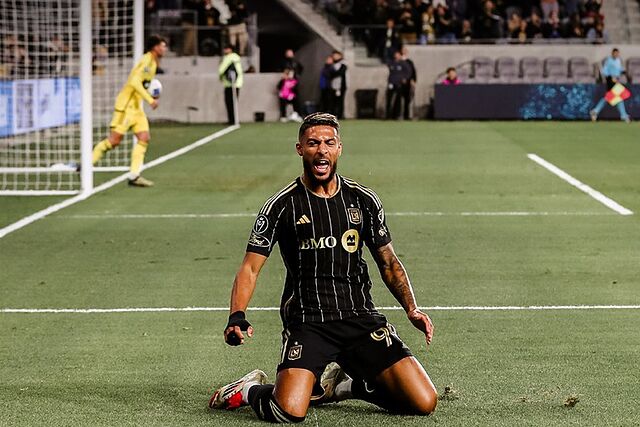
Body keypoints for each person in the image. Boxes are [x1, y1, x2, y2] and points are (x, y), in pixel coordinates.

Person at [209, 112, 438, 423]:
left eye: (329, 143)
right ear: (300, 149)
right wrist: (237, 315)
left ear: (339, 149)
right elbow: (250, 267)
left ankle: (348, 386)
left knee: (423, 402)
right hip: (308, 322)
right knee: (288, 411)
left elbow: (388, 261)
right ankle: (250, 389)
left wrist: (412, 308)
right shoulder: (282, 205)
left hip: (360, 319)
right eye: (313, 143)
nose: (321, 150)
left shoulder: (363, 200)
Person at [91, 34, 167, 187]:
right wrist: (150, 99)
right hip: (126, 107)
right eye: (162, 45)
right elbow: (134, 82)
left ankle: (134, 175)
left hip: (137, 108)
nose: (164, 48)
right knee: (114, 141)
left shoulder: (152, 63)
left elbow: (143, 83)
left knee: (144, 137)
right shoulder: (146, 60)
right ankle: (86, 165)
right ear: (155, 47)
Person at [590, 48, 630, 123]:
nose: (616, 55)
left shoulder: (618, 60)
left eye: (617, 53)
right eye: (615, 53)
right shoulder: (609, 60)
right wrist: (610, 77)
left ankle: (595, 111)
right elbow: (605, 71)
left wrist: (623, 71)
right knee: (617, 96)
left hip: (616, 80)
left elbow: (618, 69)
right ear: (612, 53)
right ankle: (623, 115)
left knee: (611, 97)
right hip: (611, 80)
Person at [218, 44, 243, 125]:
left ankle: (233, 120)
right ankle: (232, 120)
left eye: (227, 49)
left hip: (232, 84)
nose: (225, 50)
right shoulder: (235, 57)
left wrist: (220, 77)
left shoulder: (231, 57)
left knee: (231, 102)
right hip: (232, 84)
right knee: (231, 102)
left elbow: (221, 70)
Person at [386, 50, 411, 120]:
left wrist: (405, 78)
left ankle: (397, 115)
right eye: (395, 54)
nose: (396, 56)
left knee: (398, 99)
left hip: (399, 83)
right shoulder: (392, 63)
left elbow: (409, 72)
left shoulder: (404, 64)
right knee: (389, 98)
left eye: (397, 54)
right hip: (391, 83)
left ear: (400, 55)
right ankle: (388, 115)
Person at [329, 50, 347, 119]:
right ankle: (333, 115)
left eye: (336, 55)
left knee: (340, 101)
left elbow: (340, 72)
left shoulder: (343, 64)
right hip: (333, 86)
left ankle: (340, 115)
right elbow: (329, 74)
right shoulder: (332, 65)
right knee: (333, 101)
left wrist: (333, 73)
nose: (334, 57)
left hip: (341, 86)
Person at [401, 46, 417, 120]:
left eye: (405, 50)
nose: (404, 51)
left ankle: (406, 115)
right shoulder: (398, 61)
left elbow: (413, 72)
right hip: (399, 83)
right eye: (403, 50)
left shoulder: (410, 62)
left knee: (408, 100)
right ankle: (396, 115)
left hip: (408, 83)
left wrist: (413, 80)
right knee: (398, 100)